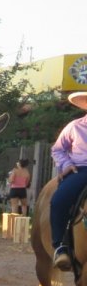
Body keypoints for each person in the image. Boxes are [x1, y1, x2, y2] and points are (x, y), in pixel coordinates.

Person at [49, 91, 87, 271]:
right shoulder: (74, 127)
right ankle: (60, 246)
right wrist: (67, 164)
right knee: (59, 201)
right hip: (81, 170)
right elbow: (58, 149)